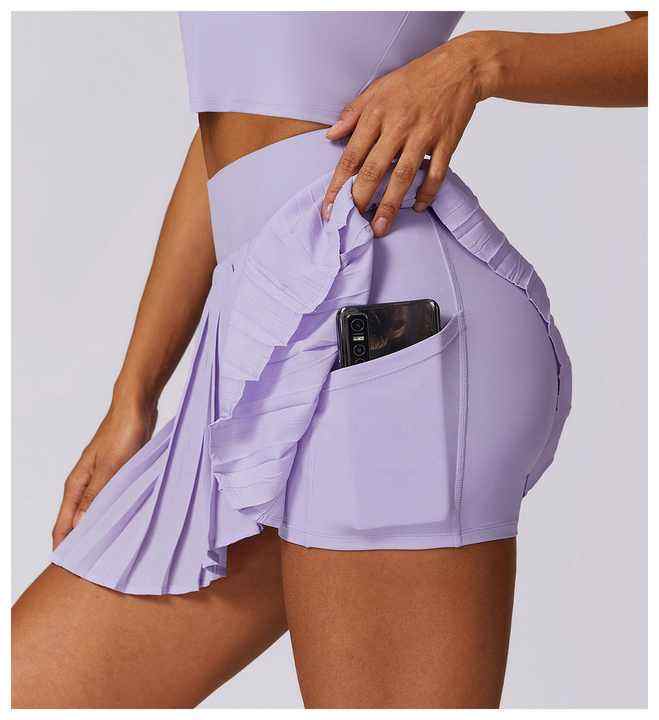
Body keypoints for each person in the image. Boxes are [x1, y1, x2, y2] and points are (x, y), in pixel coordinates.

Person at [12, 11, 647, 709]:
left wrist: (477, 63)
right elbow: (232, 141)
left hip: (388, 328)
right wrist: (132, 396)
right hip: (258, 353)